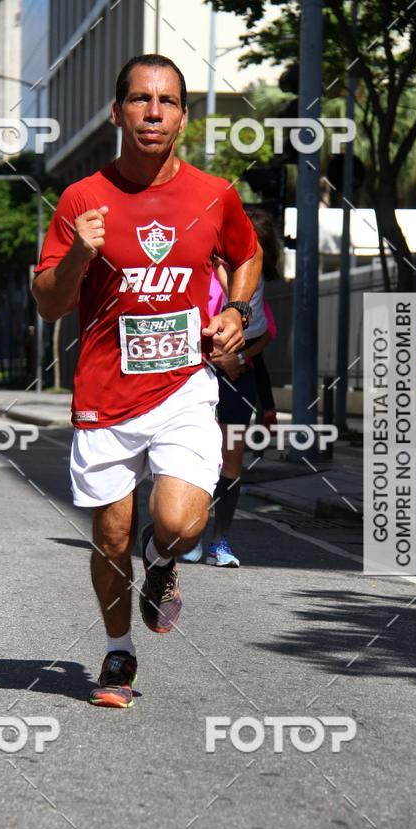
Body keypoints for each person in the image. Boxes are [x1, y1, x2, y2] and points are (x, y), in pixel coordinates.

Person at [33, 54, 262, 709]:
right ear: (117, 112)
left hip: (184, 387)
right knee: (109, 537)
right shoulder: (82, 200)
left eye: (166, 102)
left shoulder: (214, 194)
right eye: (139, 99)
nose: (153, 112)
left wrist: (236, 311)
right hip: (105, 395)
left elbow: (248, 254)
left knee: (182, 521)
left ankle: (160, 563)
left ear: (183, 118)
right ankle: (117, 653)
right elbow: (49, 302)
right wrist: (81, 251)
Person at [184, 208, 280, 567]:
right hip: (200, 375)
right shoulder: (204, 275)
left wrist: (239, 359)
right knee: (197, 458)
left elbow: (268, 332)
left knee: (231, 461)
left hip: (240, 380)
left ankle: (220, 543)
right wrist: (217, 358)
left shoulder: (256, 287)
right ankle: (189, 537)